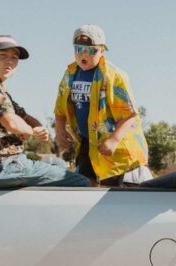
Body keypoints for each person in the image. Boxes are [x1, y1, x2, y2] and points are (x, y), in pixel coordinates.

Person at [0, 35, 90, 188]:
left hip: (8, 165)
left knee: (62, 167)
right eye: (3, 55)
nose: (10, 61)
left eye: (14, 58)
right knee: (81, 182)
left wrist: (39, 129)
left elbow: (24, 117)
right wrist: (31, 132)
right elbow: (11, 122)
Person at [54, 25, 151, 187]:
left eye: (91, 51)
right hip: (88, 141)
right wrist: (60, 131)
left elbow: (129, 115)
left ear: (102, 51)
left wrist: (113, 140)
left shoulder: (114, 75)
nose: (83, 55)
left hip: (115, 143)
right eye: (79, 49)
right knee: (85, 184)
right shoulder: (70, 73)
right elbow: (60, 109)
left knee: (111, 193)